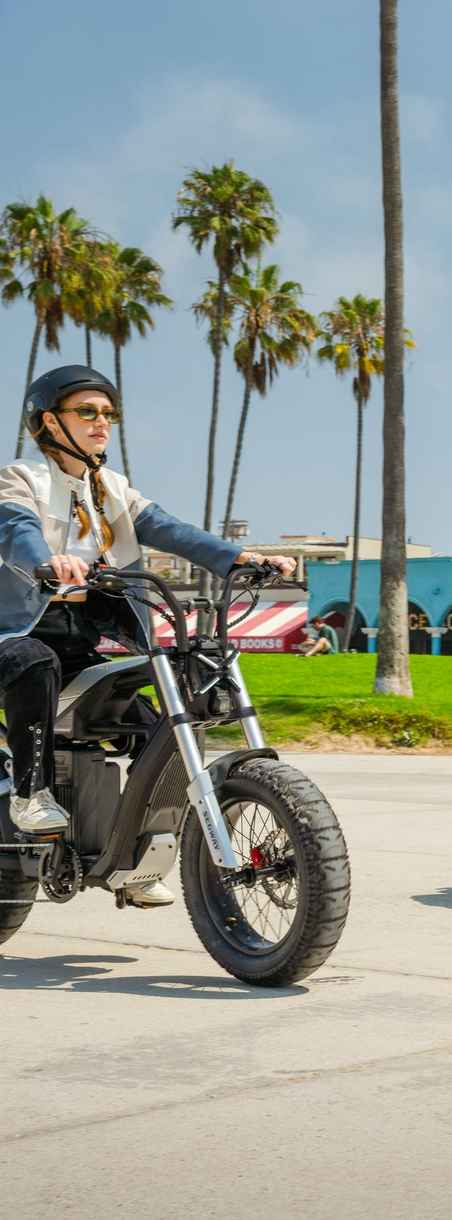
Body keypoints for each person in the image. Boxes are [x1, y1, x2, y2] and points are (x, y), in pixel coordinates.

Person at [0, 366, 294, 906]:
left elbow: (174, 531)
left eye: (108, 414)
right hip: (12, 635)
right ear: (49, 421)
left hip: (77, 644)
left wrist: (245, 558)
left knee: (164, 728)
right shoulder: (20, 477)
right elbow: (15, 531)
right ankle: (29, 793)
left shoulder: (110, 490)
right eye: (86, 412)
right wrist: (48, 562)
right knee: (33, 660)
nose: (101, 423)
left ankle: (132, 858)